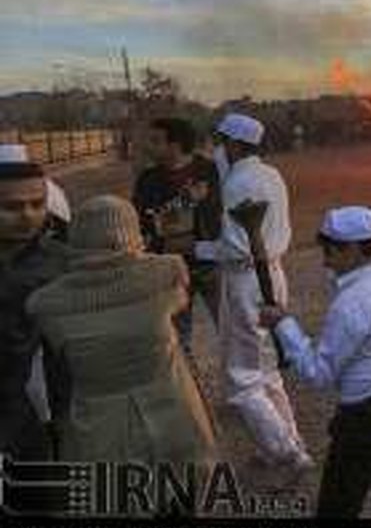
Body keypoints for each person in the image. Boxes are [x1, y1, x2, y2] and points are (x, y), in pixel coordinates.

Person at [26, 197, 216, 491]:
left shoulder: (45, 303)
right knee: (183, 497)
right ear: (133, 230)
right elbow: (180, 301)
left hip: (98, 425)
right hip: (173, 408)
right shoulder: (168, 271)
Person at [260, 206, 371, 518]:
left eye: (332, 249)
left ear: (357, 250)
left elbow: (320, 374)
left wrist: (283, 324)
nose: (324, 257)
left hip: (366, 411)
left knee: (339, 502)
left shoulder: (352, 303)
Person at [212, 113, 312, 476]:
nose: (218, 149)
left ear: (234, 145)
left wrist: (198, 250)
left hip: (246, 278)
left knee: (242, 378)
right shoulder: (271, 174)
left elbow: (235, 247)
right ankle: (288, 442)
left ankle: (287, 452)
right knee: (267, 370)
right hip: (271, 272)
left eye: (221, 142)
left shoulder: (238, 182)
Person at [133, 117, 223, 355]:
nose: (148, 146)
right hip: (171, 269)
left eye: (156, 141)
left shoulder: (210, 170)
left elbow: (222, 213)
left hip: (211, 263)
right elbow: (145, 223)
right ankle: (187, 389)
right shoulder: (148, 180)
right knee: (177, 342)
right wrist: (184, 202)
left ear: (175, 145)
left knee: (230, 328)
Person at [0, 158, 71, 462]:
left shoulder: (57, 262)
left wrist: (64, 419)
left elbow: (60, 353)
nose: (28, 215)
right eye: (12, 207)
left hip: (18, 412)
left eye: (37, 203)